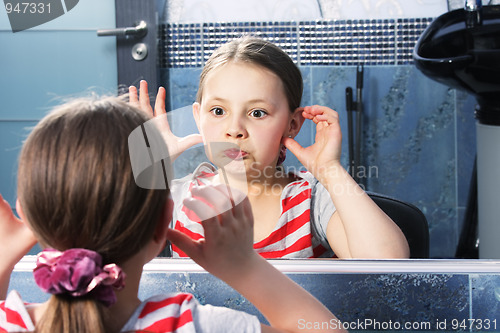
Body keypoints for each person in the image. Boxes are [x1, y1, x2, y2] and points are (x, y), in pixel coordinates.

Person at [0, 96, 344, 332]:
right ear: (164, 222)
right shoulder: (190, 325)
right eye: (218, 110)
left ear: (28, 215)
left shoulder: (10, 322)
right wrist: (245, 268)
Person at [131, 35, 410, 259]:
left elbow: (388, 263)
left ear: (292, 125)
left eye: (257, 113)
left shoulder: (312, 201)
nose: (235, 129)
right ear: (198, 118)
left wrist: (329, 170)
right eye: (218, 111)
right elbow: (109, 256)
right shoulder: (176, 199)